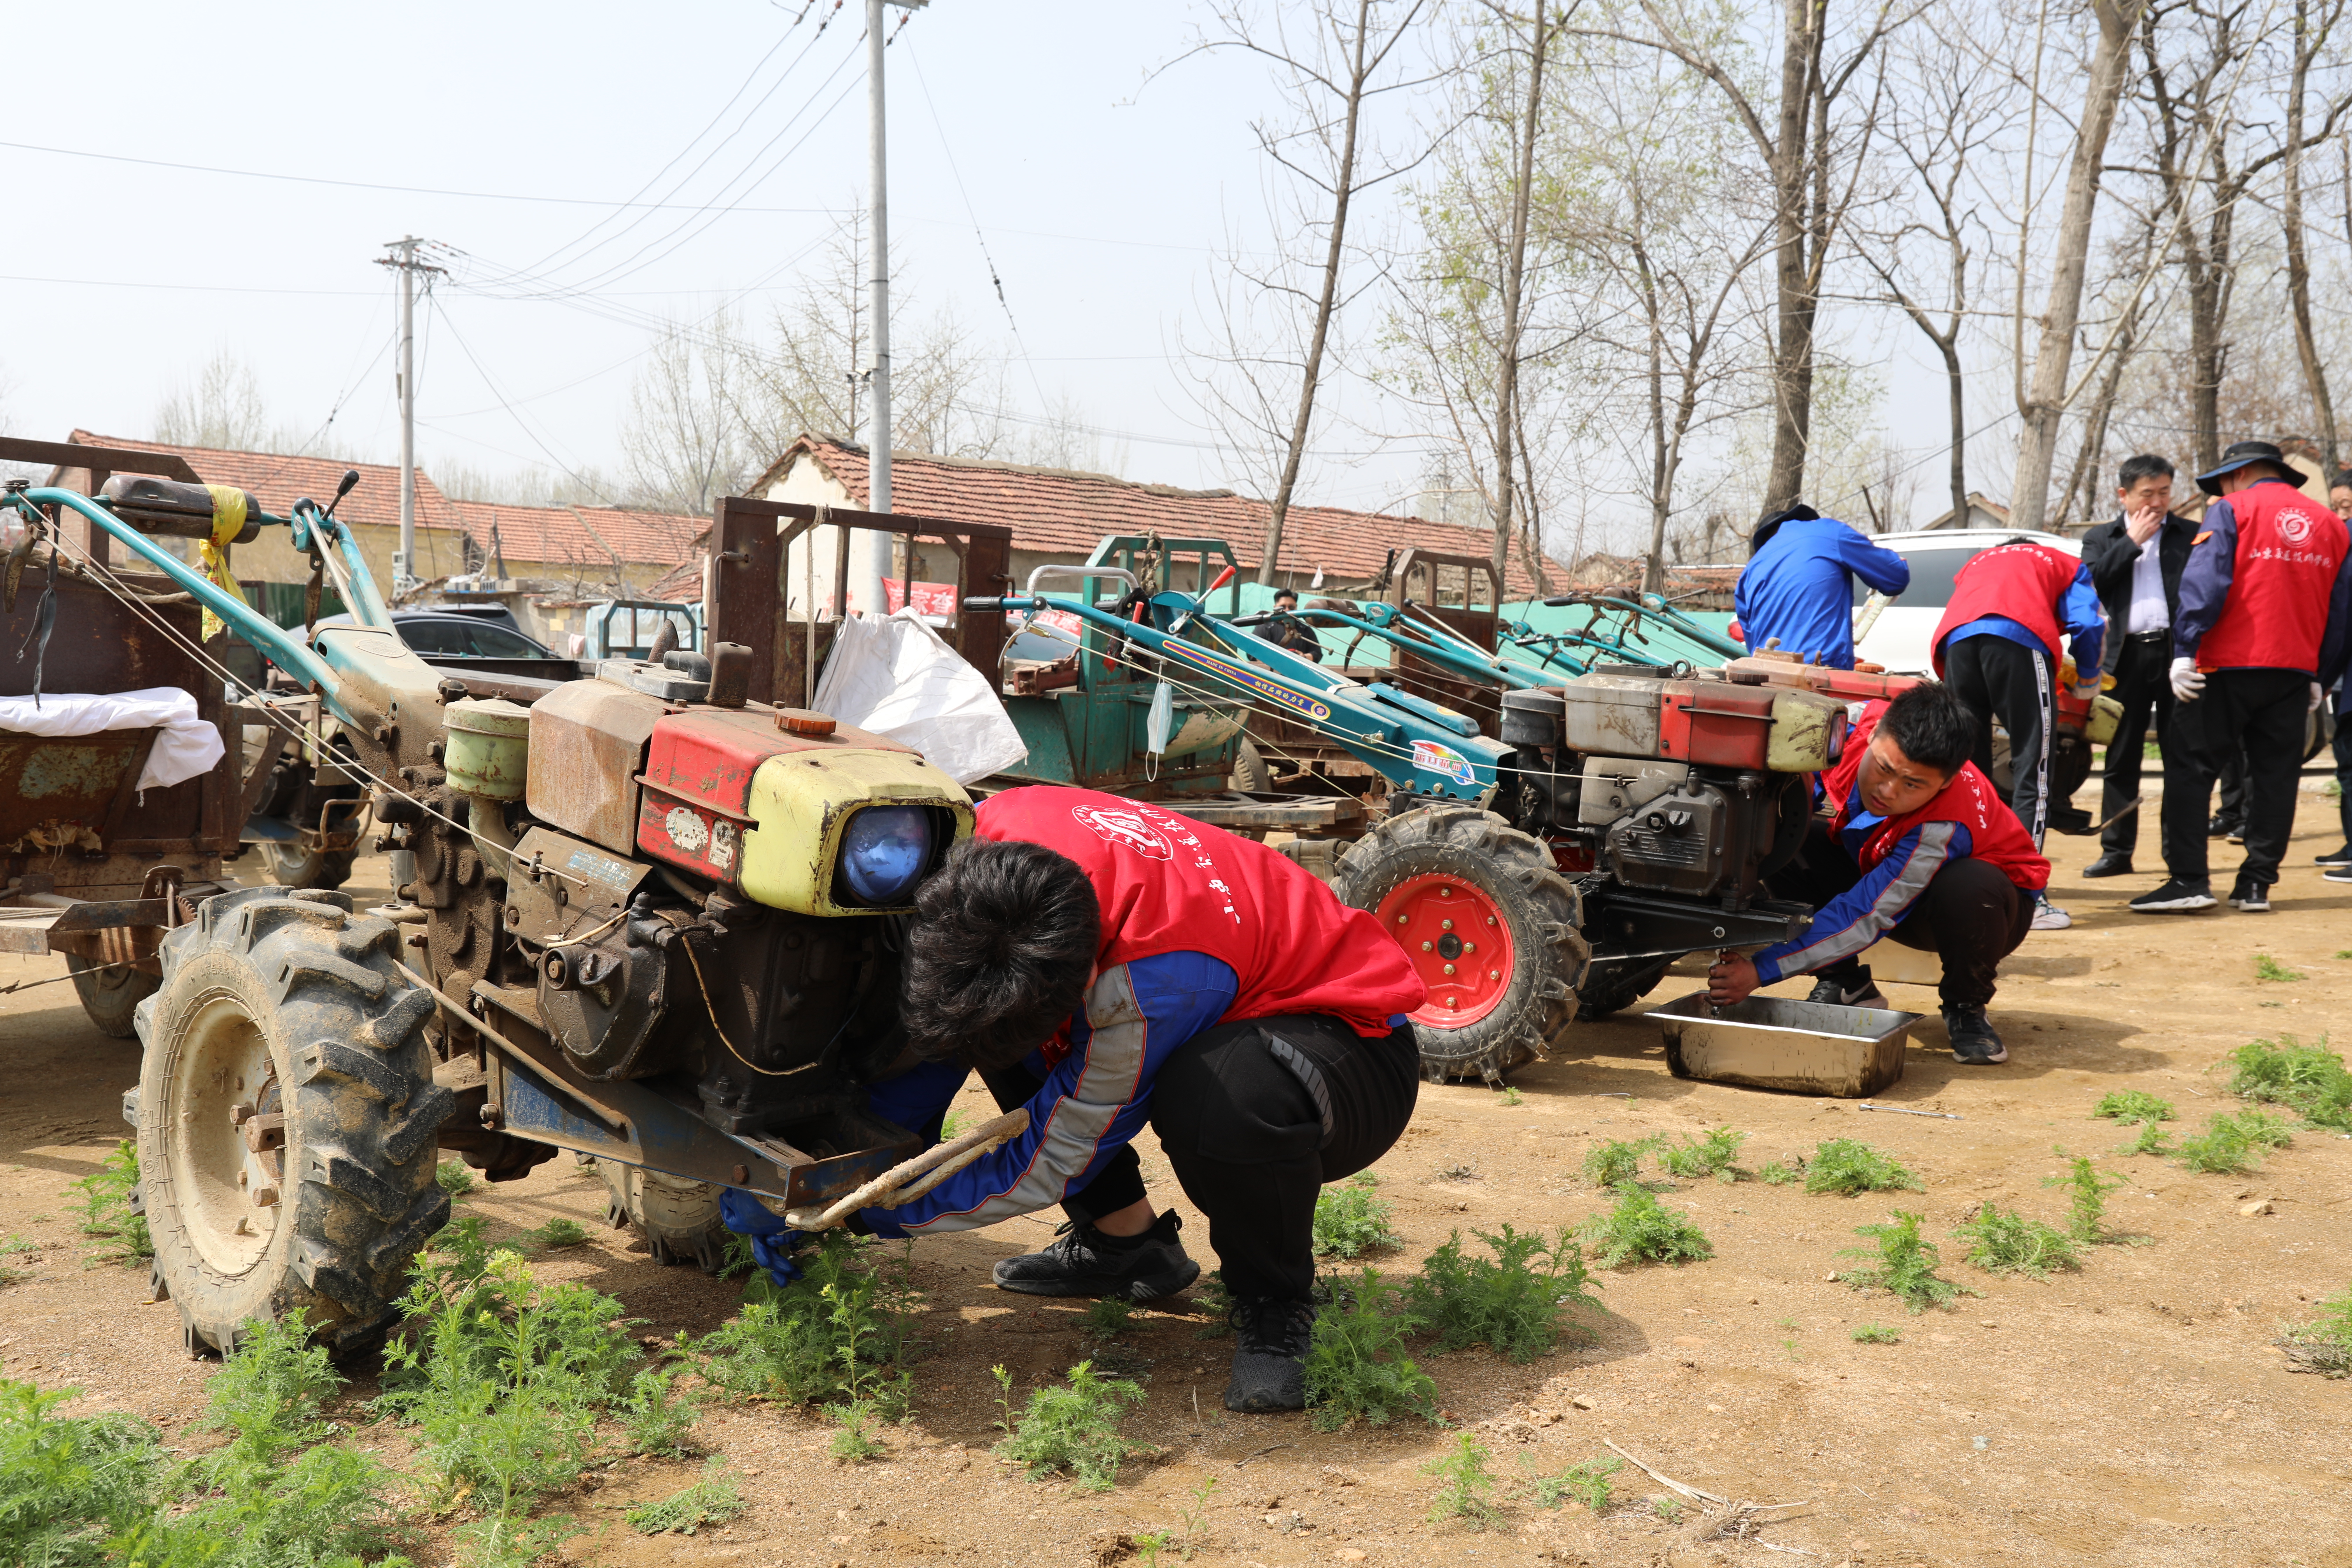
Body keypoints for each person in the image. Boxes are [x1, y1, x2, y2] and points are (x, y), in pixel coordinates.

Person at [727, 787, 1425, 1415]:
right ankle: (1128, 1248)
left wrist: (877, 1213)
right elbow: (941, 1028)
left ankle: (1275, 1305)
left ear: (1088, 969)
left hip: (1349, 1052)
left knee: (1218, 1094)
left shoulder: (1151, 983)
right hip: (1216, 993)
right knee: (997, 1023)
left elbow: (1053, 1155)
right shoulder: (985, 845)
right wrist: (848, 1164)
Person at [1708, 682, 2048, 1065]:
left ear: (1947, 783)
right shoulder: (1844, 729)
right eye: (1884, 768)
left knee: (1968, 884)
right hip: (1887, 872)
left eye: (1913, 785)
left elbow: (1868, 912)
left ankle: (1966, 1006)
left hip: (1985, 912)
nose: (1888, 791)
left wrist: (1762, 969)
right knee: (1787, 836)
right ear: (1873, 734)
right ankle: (1846, 982)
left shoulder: (1942, 827)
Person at [2135, 440, 2352, 913]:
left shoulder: (2233, 509)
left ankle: (2190, 879)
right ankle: (2256, 885)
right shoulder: (2333, 525)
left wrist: (2186, 649)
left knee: (2191, 770)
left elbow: (2206, 582)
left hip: (2225, 665)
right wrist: (2321, 673)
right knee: (2277, 778)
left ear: (2242, 473)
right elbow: (2341, 612)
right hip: (2294, 671)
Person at [1929, 536, 2104, 930]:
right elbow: (2089, 622)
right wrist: (2089, 679)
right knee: (2034, 766)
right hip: (2018, 639)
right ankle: (2028, 895)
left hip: (1957, 644)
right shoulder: (2064, 562)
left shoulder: (1976, 563)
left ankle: (1965, 886)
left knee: (1968, 774)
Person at [2080, 455, 2194, 880]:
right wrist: (2131, 541)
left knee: (2180, 757)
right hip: (2122, 659)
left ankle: (2179, 858)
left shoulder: (2190, 535)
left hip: (2176, 655)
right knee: (2120, 756)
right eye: (2148, 493)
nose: (2159, 501)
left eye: (2165, 491)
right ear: (2124, 494)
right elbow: (2090, 585)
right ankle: (2116, 851)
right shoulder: (2101, 537)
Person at [1733, 503, 1912, 668]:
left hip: (1766, 675)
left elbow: (1753, 643)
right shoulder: (1828, 532)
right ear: (1807, 521)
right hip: (1821, 673)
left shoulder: (1750, 570)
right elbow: (1896, 576)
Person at [1253, 588, 1323, 661]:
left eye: (1291, 607)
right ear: (1275, 608)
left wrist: (1303, 657)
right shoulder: (1265, 628)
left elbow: (1317, 653)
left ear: (1297, 607)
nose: (1287, 610)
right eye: (1283, 607)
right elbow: (1253, 652)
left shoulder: (1306, 630)